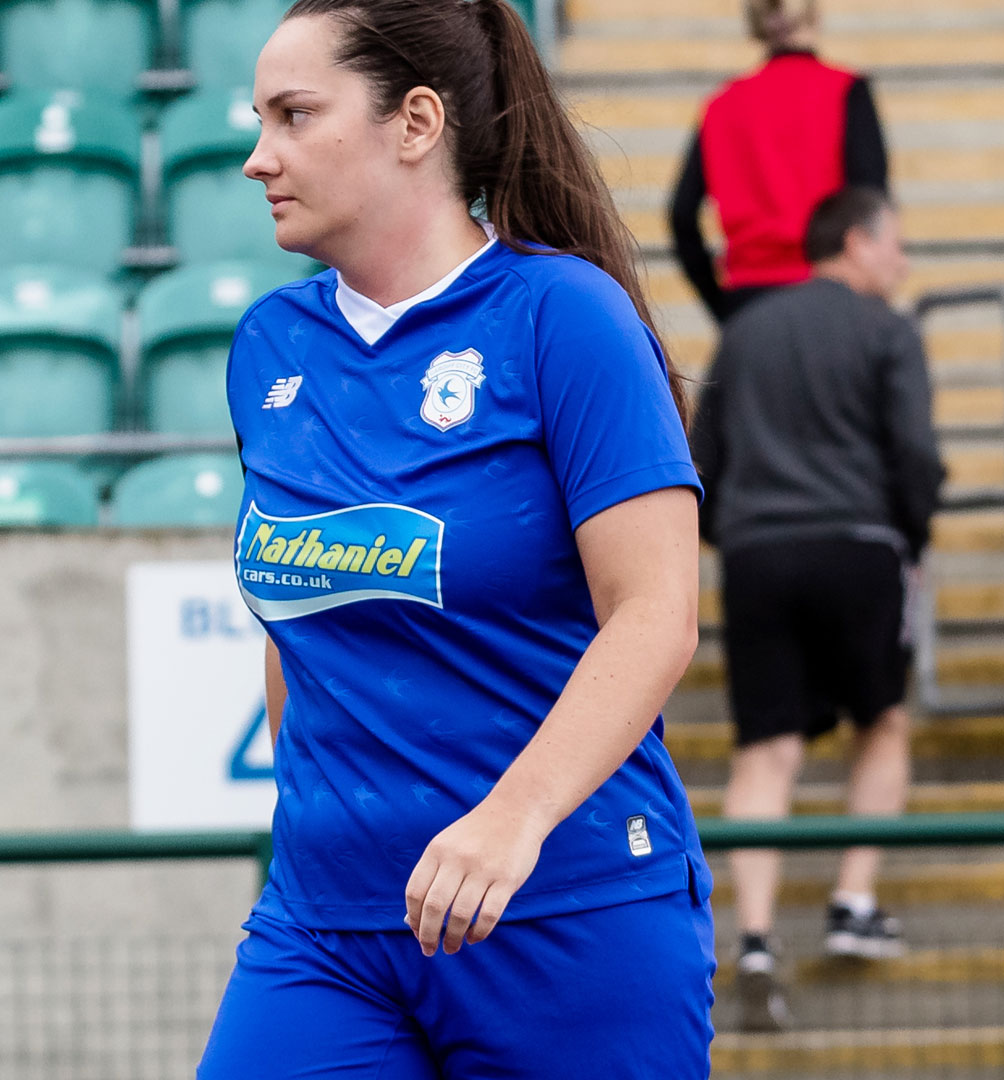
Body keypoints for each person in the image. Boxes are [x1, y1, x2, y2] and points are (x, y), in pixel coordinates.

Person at [199, 1, 713, 1076]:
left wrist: (510, 821)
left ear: (416, 122)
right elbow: (299, 627)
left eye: (294, 115)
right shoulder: (268, 346)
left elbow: (657, 614)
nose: (258, 157)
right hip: (324, 926)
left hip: (563, 911)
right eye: (260, 119)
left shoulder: (563, 316)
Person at [691, 186, 943, 1031]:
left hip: (757, 554)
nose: (902, 262)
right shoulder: (889, 330)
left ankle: (756, 938)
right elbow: (914, 450)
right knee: (883, 724)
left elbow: (703, 461)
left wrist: (737, 538)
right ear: (858, 243)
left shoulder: (746, 330)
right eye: (894, 243)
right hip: (859, 545)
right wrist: (912, 529)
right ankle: (851, 902)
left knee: (766, 753)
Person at [669, 0, 889, 324]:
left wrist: (722, 306)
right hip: (831, 297)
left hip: (748, 302)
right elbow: (870, 203)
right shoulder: (845, 90)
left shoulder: (722, 104)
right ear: (813, 12)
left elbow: (681, 215)